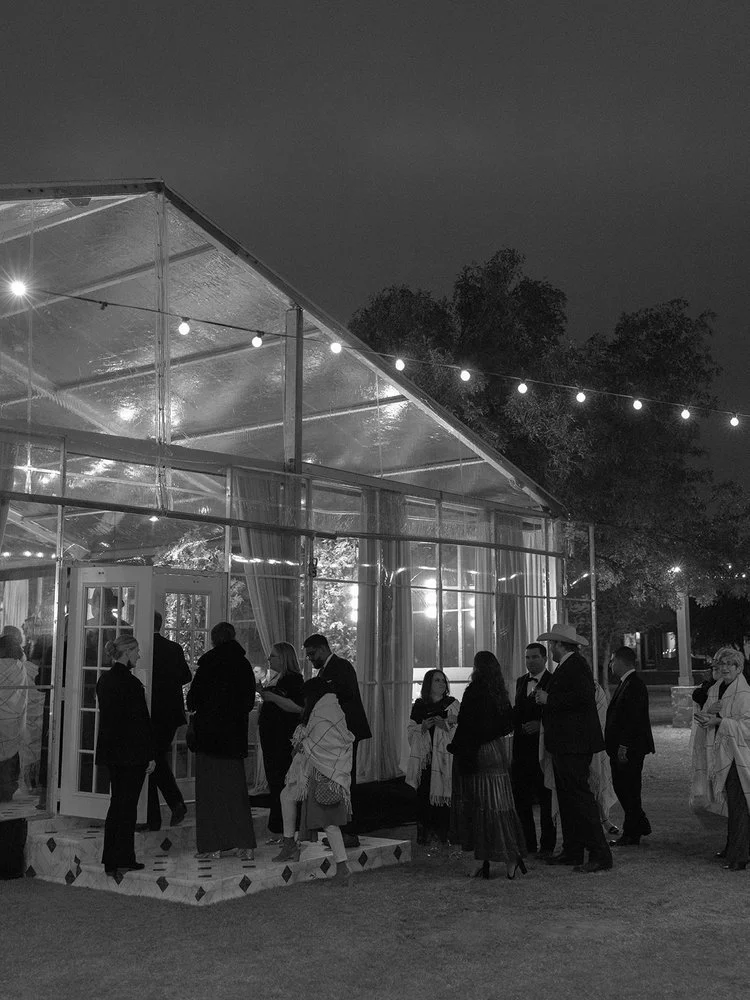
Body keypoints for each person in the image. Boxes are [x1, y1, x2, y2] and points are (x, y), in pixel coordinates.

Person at [534, 623, 613, 873]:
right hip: (568, 743)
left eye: (552, 644)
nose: (550, 648)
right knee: (570, 798)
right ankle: (573, 850)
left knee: (578, 797)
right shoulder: (571, 665)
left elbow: (582, 698)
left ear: (559, 644)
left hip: (573, 744)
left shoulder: (575, 665)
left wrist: (550, 699)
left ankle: (598, 853)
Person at [448, 651, 527, 879]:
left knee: (481, 805)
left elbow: (467, 726)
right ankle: (510, 855)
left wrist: (457, 747)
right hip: (496, 751)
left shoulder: (474, 691)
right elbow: (506, 723)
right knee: (499, 804)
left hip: (478, 752)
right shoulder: (499, 692)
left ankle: (483, 858)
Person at [273, 676, 354, 884]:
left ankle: (343, 868)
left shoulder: (321, 713)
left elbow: (318, 743)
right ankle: (290, 842)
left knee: (328, 822)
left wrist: (303, 745)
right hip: (324, 771)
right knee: (289, 796)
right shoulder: (331, 710)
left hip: (322, 774)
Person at [186, 621, 257, 861]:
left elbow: (192, 701)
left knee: (209, 793)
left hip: (208, 736)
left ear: (214, 639)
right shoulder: (243, 664)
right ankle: (244, 843)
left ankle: (212, 845)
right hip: (233, 737)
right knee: (236, 792)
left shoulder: (207, 663)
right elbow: (248, 703)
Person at [302, 633, 372, 847]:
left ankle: (349, 832)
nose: (311, 659)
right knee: (337, 781)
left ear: (323, 649)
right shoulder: (327, 670)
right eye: (308, 656)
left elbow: (341, 698)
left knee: (344, 781)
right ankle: (341, 830)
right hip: (336, 734)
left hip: (345, 733)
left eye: (312, 654)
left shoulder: (341, 667)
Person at [95, 633, 155, 876]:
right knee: (127, 807)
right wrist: (150, 755)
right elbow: (141, 723)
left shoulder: (104, 680)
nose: (139, 655)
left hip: (112, 752)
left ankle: (114, 859)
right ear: (128, 652)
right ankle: (124, 857)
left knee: (116, 805)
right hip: (131, 754)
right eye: (136, 651)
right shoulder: (131, 684)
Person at [691, 646, 750, 871]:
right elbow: (710, 712)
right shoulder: (718, 688)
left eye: (729, 664)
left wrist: (718, 721)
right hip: (722, 752)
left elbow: (747, 726)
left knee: (739, 805)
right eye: (721, 663)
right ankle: (733, 848)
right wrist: (707, 715)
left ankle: (738, 856)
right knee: (733, 804)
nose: (724, 668)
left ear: (738, 668)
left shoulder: (744, 694)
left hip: (739, 755)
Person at [141, 612, 192, 831]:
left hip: (149, 712)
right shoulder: (173, 648)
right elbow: (186, 677)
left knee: (150, 761)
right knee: (155, 759)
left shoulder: (141, 649)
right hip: (170, 714)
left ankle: (156, 815)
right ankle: (169, 807)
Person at [605, 646, 655, 846]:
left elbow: (633, 719)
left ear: (620, 661)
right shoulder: (627, 683)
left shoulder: (634, 684)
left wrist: (624, 746)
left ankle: (633, 831)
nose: (610, 664)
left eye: (612, 660)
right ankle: (639, 824)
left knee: (628, 788)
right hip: (625, 746)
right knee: (625, 787)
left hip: (630, 748)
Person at [511, 642, 556, 859]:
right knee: (521, 799)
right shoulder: (521, 682)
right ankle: (527, 843)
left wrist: (541, 725)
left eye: (535, 657)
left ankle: (547, 844)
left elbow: (560, 712)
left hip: (543, 750)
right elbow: (517, 711)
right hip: (521, 750)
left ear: (545, 659)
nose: (530, 661)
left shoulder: (553, 681)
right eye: (527, 657)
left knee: (546, 797)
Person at [257, 641, 305, 844]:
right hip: (272, 738)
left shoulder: (294, 680)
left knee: (283, 783)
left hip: (283, 740)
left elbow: (298, 708)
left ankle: (287, 831)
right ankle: (279, 829)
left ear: (284, 658)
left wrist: (272, 698)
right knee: (275, 783)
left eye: (273, 656)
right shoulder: (278, 679)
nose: (269, 660)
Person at [406, 669, 459, 846]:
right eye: (437, 680)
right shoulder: (420, 706)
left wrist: (444, 725)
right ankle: (425, 834)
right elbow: (410, 731)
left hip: (445, 760)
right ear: (429, 684)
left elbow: (459, 729)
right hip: (426, 760)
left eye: (443, 681)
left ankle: (444, 833)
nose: (442, 684)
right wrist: (423, 727)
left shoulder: (452, 704)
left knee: (444, 794)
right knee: (424, 795)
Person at [0, 630, 27, 803]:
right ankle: (6, 789)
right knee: (9, 754)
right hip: (13, 717)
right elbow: (22, 693)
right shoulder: (20, 667)